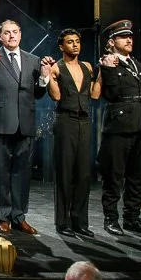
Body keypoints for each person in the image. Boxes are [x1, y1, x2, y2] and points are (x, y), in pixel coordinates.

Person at [0, 19, 53, 235]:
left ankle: (19, 217)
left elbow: (38, 93)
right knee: (1, 173)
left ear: (20, 35)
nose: (11, 36)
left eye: (15, 32)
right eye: (7, 33)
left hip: (26, 124)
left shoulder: (33, 60)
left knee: (22, 173)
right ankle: (3, 217)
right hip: (1, 123)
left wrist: (45, 77)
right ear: (0, 36)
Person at [97, 19, 141, 237]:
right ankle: (111, 219)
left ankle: (132, 218)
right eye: (124, 37)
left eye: (130, 36)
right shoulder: (107, 64)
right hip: (119, 126)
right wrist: (109, 68)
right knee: (114, 176)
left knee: (137, 176)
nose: (129, 39)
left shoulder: (137, 65)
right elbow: (111, 94)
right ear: (112, 42)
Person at [47, 29, 101, 237]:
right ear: (62, 46)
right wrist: (50, 76)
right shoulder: (57, 68)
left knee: (84, 174)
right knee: (65, 172)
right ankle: (63, 222)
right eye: (70, 42)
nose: (75, 45)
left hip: (85, 121)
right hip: (65, 120)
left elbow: (95, 94)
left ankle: (80, 221)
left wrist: (103, 71)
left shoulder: (87, 67)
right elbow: (56, 96)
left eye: (77, 41)